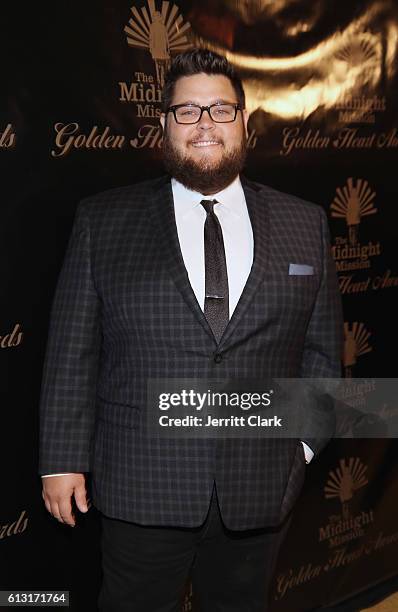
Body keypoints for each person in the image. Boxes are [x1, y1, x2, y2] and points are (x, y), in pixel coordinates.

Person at [39, 48, 343, 612]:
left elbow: (325, 354)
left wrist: (298, 448)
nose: (205, 124)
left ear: (245, 124)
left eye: (221, 110)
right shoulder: (102, 220)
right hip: (140, 481)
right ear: (164, 126)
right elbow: (71, 351)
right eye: (188, 111)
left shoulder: (306, 222)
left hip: (261, 484)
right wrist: (61, 458)